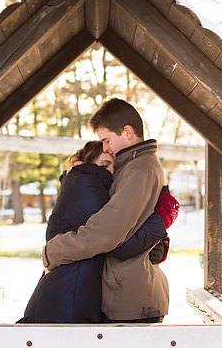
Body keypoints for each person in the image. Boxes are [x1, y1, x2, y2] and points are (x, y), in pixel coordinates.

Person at [42, 98, 173, 323]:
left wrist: (54, 251)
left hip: (131, 298)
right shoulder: (129, 166)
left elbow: (106, 232)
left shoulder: (139, 169)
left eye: (106, 139)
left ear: (127, 132)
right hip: (125, 292)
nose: (105, 147)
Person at [20, 141, 177, 323]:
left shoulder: (85, 183)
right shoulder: (86, 182)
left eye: (113, 166)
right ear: (82, 163)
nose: (110, 171)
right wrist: (162, 218)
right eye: (104, 165)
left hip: (73, 294)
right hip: (68, 300)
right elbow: (118, 243)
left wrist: (154, 247)